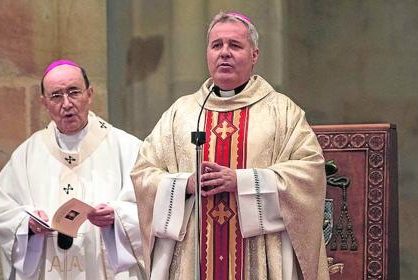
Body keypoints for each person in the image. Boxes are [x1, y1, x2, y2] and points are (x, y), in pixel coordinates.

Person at [131, 11, 329, 280]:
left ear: (255, 55)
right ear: (207, 54)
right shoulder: (182, 113)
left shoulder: (282, 112)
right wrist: (185, 184)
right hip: (194, 256)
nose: (224, 53)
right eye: (216, 45)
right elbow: (143, 173)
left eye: (235, 45)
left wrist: (243, 181)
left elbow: (310, 174)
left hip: (257, 256)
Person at [0, 60, 145, 279]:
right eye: (56, 96)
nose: (67, 103)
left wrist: (117, 216)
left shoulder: (127, 147)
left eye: (74, 92)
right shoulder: (26, 155)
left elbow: (151, 205)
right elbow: (0, 213)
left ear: (89, 94)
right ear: (44, 103)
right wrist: (28, 224)